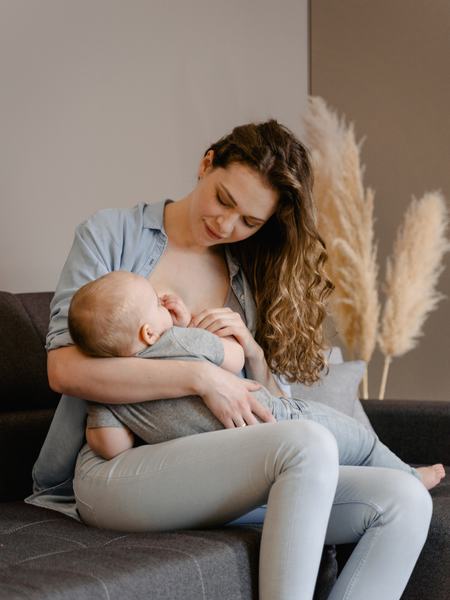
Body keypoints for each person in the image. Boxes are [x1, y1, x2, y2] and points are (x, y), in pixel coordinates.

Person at [27, 120, 435, 600]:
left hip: (220, 469)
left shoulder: (246, 273)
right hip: (118, 470)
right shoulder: (112, 234)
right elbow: (65, 369)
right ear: (206, 164)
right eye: (224, 199)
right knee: (307, 442)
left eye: (249, 221)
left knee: (404, 501)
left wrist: (256, 357)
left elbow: (271, 408)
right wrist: (200, 376)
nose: (226, 226)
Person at [69, 270, 445, 492]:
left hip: (229, 461)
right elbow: (232, 357)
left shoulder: (110, 393)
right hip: (278, 420)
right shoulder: (176, 340)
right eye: (155, 301)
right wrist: (187, 327)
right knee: (359, 441)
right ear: (150, 332)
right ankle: (409, 477)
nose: (163, 301)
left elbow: (110, 446)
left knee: (328, 468)